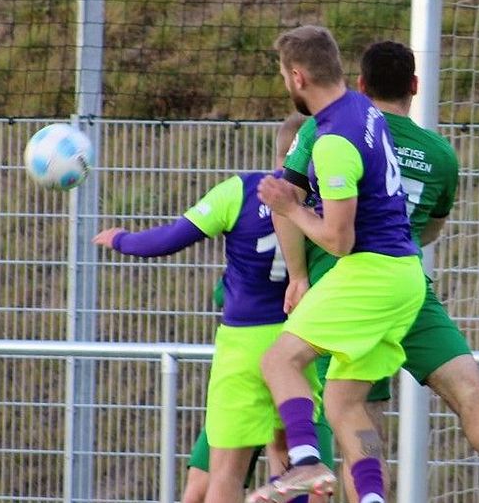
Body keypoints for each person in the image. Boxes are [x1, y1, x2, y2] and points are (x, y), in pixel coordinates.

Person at [281, 40, 479, 503]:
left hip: (343, 293)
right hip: (408, 289)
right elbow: (431, 229)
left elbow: (288, 200)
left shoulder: (331, 128)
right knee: (469, 389)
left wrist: (298, 275)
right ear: (415, 86)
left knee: (352, 419)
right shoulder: (440, 154)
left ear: (360, 84)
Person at [248, 26, 426, 503]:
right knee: (346, 404)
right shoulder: (363, 110)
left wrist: (290, 208)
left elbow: (339, 240)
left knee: (279, 360)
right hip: (403, 275)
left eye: (283, 76)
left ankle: (306, 462)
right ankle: (372, 497)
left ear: (298, 77)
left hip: (371, 273)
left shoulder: (333, 142)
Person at [92, 164, 322, 503]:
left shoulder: (241, 191)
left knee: (226, 472)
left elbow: (170, 239)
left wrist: (121, 239)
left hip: (243, 342)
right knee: (292, 461)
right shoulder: (324, 199)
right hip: (296, 340)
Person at [176, 117, 333, 503]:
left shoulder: (248, 197)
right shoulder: (329, 216)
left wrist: (123, 239)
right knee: (303, 465)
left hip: (249, 355)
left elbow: (220, 291)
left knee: (209, 481)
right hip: (306, 359)